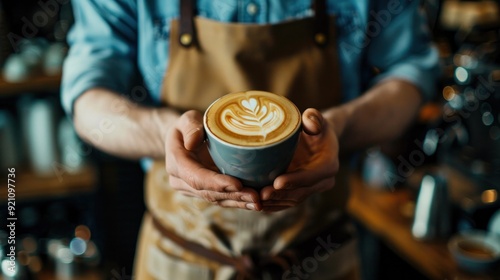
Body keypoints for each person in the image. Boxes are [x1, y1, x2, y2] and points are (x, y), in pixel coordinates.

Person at [61, 0, 439, 279]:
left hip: (320, 257)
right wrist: (165, 132)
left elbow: (412, 73)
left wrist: (338, 128)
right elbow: (87, 101)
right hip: (179, 260)